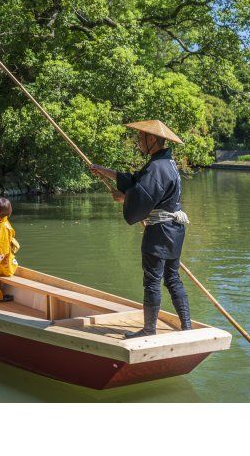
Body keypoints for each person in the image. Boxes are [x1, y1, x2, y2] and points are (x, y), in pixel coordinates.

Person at [89, 119, 191, 338]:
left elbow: (143, 196)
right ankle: (187, 327)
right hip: (174, 230)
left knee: (153, 280)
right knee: (172, 277)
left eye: (140, 138)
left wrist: (125, 198)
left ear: (151, 138)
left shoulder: (157, 167)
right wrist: (104, 171)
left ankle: (149, 330)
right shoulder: (166, 163)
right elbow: (136, 181)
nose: (138, 142)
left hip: (160, 230)